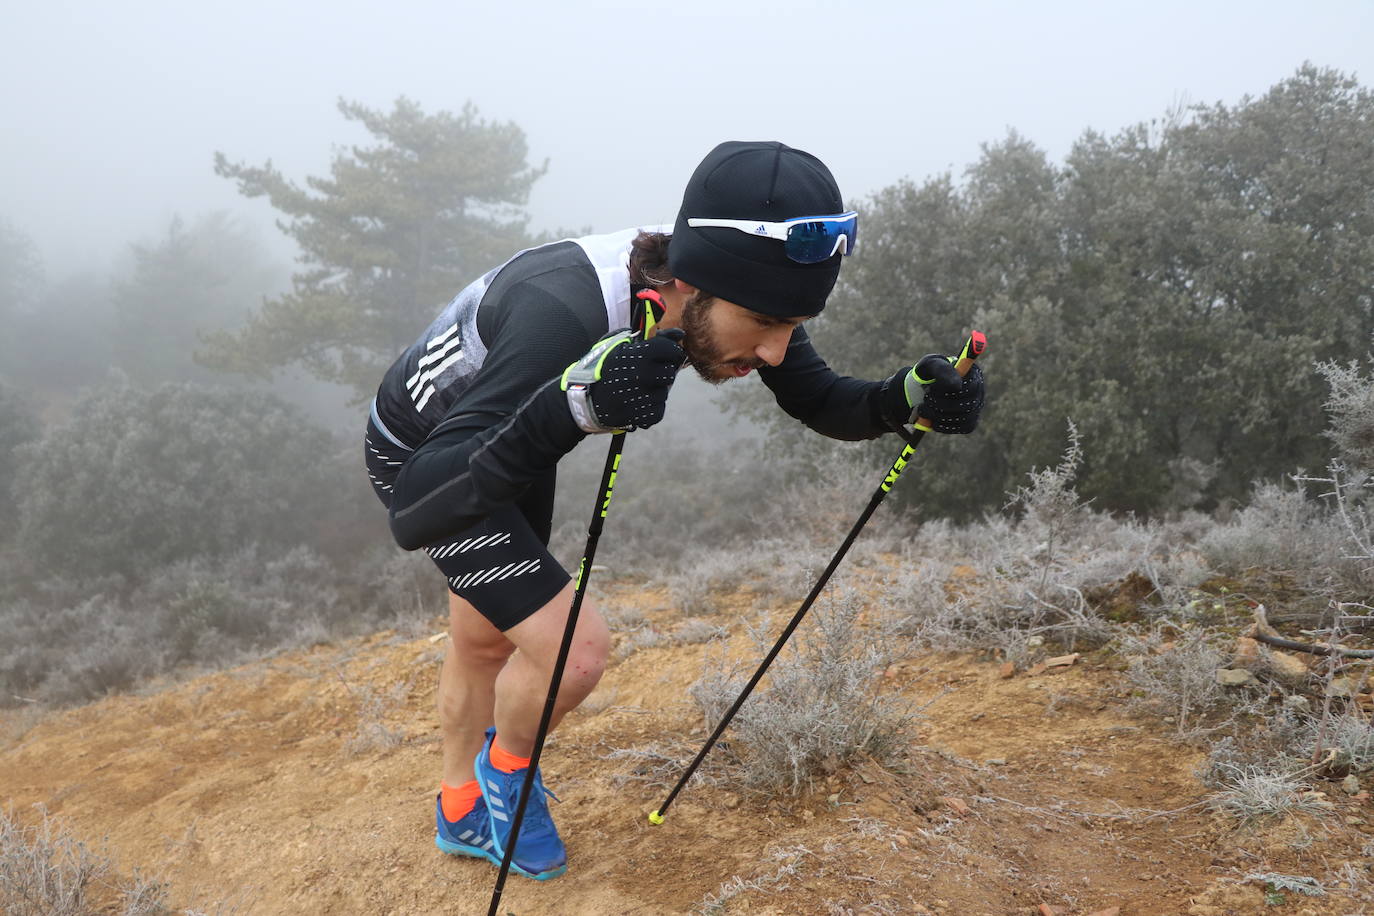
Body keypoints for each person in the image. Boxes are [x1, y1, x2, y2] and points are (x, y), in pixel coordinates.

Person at [364, 140, 985, 880]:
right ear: (692, 287)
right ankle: (507, 777)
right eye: (764, 324)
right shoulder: (561, 310)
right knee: (575, 653)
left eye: (792, 324)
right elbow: (417, 508)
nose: (779, 350)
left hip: (509, 437)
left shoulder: (734, 277)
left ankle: (460, 807)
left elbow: (820, 398)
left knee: (487, 639)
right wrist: (575, 407)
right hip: (429, 460)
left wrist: (901, 399)